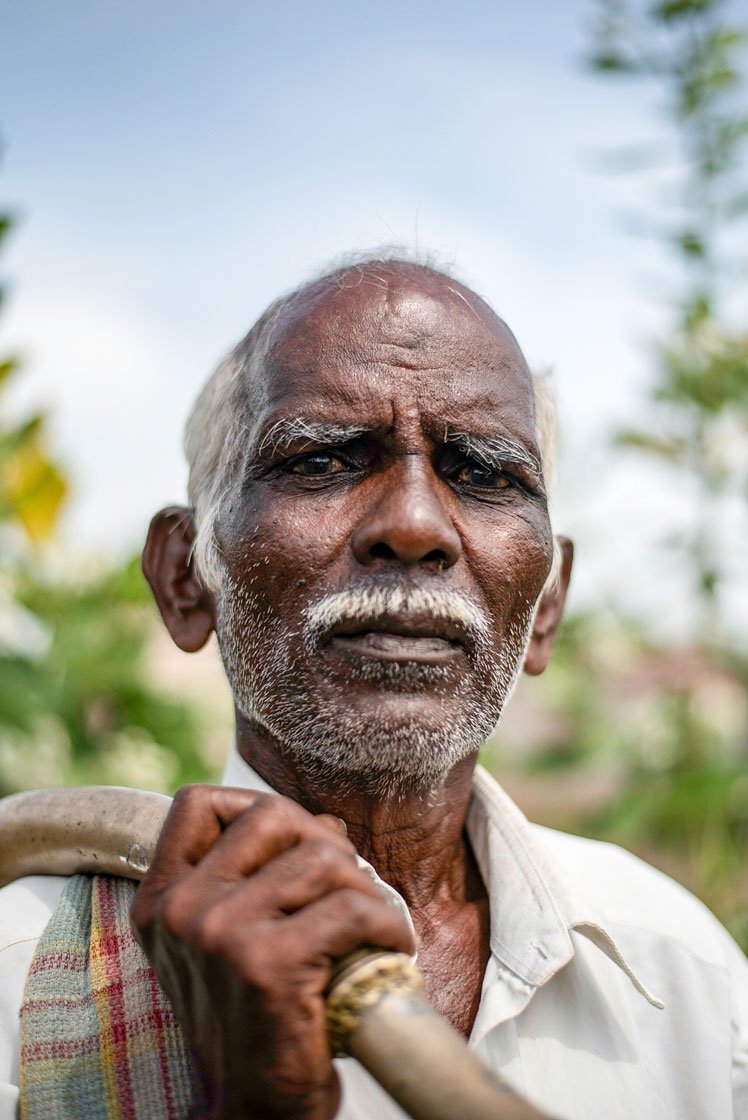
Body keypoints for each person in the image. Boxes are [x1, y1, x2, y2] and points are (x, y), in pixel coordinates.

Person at [1, 254, 747, 1120]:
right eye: (321, 461)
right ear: (184, 579)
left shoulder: (683, 972)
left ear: (547, 607)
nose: (415, 526)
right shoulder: (21, 976)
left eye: (484, 473)